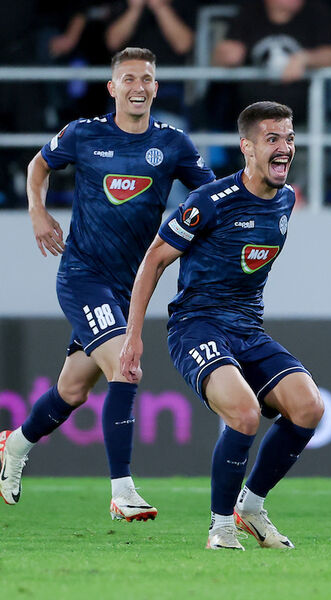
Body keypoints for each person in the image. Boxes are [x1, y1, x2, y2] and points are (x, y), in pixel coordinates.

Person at [0, 47, 215, 521]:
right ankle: (122, 491)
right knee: (126, 366)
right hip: (83, 277)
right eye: (129, 78)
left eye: (147, 78)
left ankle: (14, 445)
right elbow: (38, 166)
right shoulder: (83, 133)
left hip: (127, 287)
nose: (139, 87)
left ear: (156, 87)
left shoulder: (173, 144)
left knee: (72, 391)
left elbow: (211, 195)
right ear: (112, 87)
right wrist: (38, 211)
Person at [119, 101, 323, 550]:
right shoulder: (210, 201)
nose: (285, 147)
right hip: (197, 325)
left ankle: (251, 507)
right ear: (246, 147)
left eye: (289, 138)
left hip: (247, 328)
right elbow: (154, 259)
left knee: (309, 407)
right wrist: (132, 336)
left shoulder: (286, 199)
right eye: (272, 139)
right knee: (245, 413)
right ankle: (220, 526)